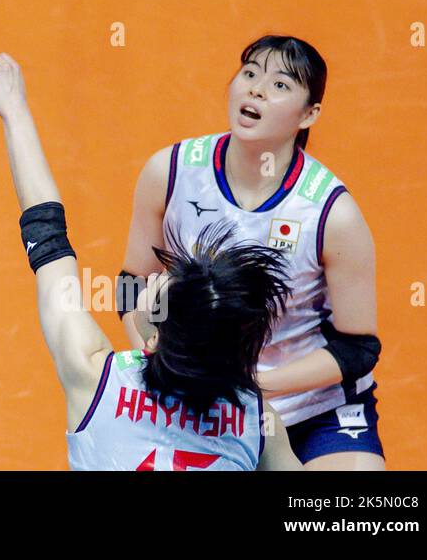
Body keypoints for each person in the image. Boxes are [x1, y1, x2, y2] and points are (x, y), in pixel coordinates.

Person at [0, 51, 301, 470]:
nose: (154, 280)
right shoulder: (258, 421)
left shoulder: (95, 379)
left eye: (160, 290)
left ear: (153, 341)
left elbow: (47, 238)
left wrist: (14, 112)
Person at [118, 36, 384, 470]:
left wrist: (256, 385)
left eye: (280, 85)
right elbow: (133, 283)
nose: (257, 89)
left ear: (309, 114)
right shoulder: (169, 172)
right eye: (250, 74)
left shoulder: (332, 215)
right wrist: (156, 360)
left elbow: (358, 349)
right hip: (199, 401)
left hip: (313, 414)